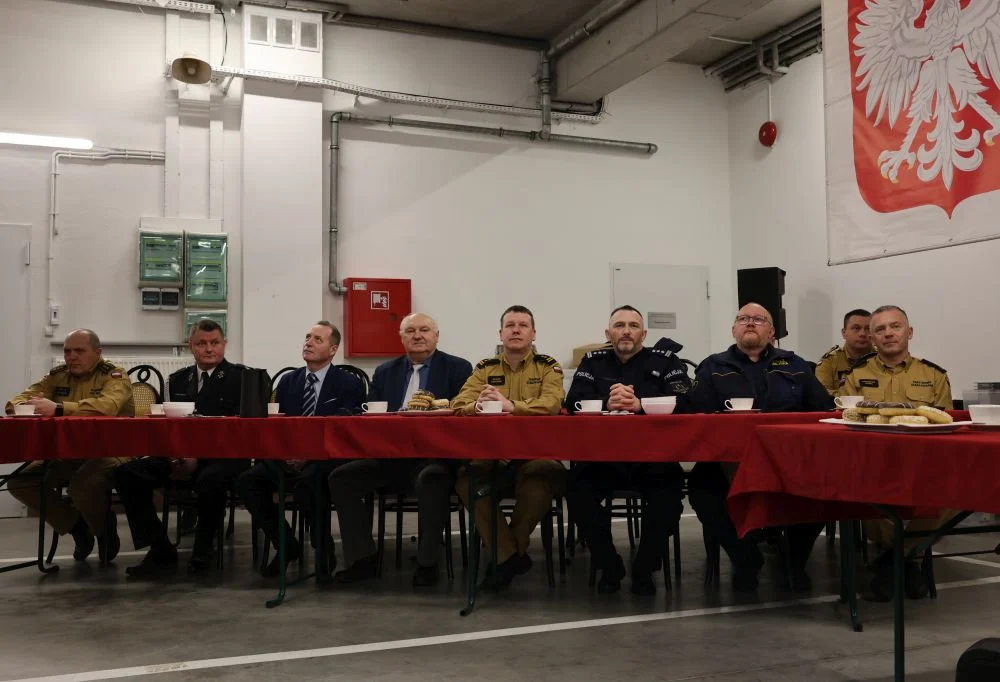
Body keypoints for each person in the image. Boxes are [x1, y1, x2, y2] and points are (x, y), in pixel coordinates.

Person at [686, 303, 834, 592]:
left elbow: (823, 409)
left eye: (759, 319)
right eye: (743, 319)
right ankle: (745, 558)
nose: (750, 323)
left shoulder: (795, 365)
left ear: (772, 331)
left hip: (787, 460)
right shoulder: (713, 366)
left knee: (823, 488)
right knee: (701, 491)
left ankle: (794, 561)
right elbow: (693, 412)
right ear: (734, 329)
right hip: (727, 462)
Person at [328, 313, 472, 587]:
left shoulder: (458, 368)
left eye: (424, 330)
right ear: (401, 337)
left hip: (435, 458)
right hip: (390, 458)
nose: (418, 335)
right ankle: (362, 558)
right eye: (411, 331)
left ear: (437, 336)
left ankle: (428, 562)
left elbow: (463, 416)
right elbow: (370, 415)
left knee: (432, 479)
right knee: (342, 478)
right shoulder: (385, 371)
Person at [564, 305, 694, 596]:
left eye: (633, 326)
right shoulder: (593, 362)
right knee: (576, 492)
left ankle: (644, 569)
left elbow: (687, 401)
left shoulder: (666, 361)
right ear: (608, 333)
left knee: (669, 498)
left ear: (643, 334)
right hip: (603, 459)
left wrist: (639, 404)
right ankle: (609, 565)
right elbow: (572, 403)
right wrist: (606, 404)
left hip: (653, 459)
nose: (626, 331)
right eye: (619, 325)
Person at [837, 305, 954, 600]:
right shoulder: (856, 375)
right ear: (872, 338)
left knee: (954, 494)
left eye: (895, 326)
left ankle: (894, 560)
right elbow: (847, 421)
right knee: (860, 492)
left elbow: (946, 426)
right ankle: (908, 560)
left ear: (909, 332)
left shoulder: (934, 375)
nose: (888, 333)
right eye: (880, 329)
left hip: (924, 464)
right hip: (872, 464)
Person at [116, 319, 246, 577]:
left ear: (224, 344)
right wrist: (175, 455)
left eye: (215, 343)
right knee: (126, 474)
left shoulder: (241, 378)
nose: (209, 349)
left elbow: (243, 432)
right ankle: (160, 548)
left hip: (222, 455)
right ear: (191, 346)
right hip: (178, 454)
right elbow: (165, 425)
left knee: (211, 481)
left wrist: (197, 455)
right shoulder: (176, 380)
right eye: (201, 344)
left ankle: (202, 552)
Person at [236, 321, 364, 581]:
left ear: (333, 349)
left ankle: (323, 549)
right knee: (248, 481)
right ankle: (286, 544)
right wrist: (285, 453)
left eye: (317, 339)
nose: (308, 343)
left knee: (309, 483)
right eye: (307, 337)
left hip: (325, 458)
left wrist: (309, 455)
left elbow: (345, 430)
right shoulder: (288, 381)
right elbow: (278, 425)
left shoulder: (349, 383)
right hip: (288, 456)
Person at [451, 305, 566, 589]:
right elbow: (458, 404)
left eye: (523, 325)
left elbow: (552, 404)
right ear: (500, 333)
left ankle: (506, 556)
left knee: (541, 479)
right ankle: (509, 557)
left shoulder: (547, 366)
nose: (516, 330)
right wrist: (478, 405)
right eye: (510, 325)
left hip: (536, 453)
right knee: (467, 479)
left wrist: (511, 406)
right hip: (494, 454)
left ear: (533, 333)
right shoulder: (484, 368)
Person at [6, 329, 133, 563]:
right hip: (71, 451)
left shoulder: (114, 375)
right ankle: (76, 527)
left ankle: (104, 529)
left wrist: (59, 408)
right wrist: (26, 407)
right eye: (67, 351)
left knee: (82, 484)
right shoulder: (58, 376)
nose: (71, 356)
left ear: (97, 353)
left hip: (112, 449)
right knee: (21, 482)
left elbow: (107, 407)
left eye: (79, 351)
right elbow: (16, 401)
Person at [815, 309, 873, 394]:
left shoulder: (882, 358)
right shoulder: (830, 362)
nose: (862, 334)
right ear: (844, 333)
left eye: (868, 329)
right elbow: (821, 394)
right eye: (856, 328)